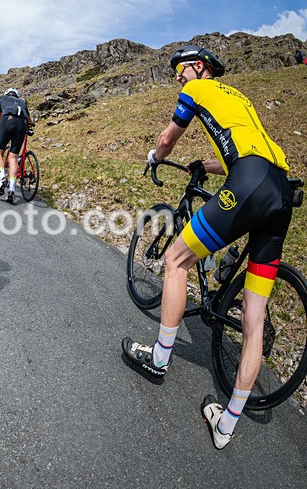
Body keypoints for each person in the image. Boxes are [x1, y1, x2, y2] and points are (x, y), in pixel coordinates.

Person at [121, 45, 292, 450]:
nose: (178, 77)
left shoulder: (197, 92)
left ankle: (159, 359)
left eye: (181, 69)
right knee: (254, 313)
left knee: (175, 258)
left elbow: (167, 137)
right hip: (281, 188)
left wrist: (155, 156)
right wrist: (205, 165)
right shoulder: (238, 98)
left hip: (248, 183)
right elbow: (244, 151)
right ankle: (227, 423)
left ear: (199, 67)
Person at [0, 87, 34, 203]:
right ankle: (11, 189)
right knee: (13, 157)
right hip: (22, 123)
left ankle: (2, 178)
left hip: (7, 119)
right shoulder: (22, 101)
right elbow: (29, 119)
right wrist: (30, 125)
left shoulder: (2, 98)